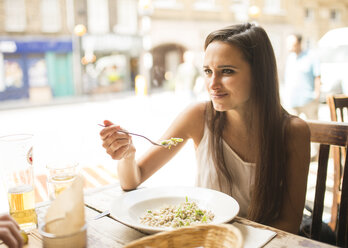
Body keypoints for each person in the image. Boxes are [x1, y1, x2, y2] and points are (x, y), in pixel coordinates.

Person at [100, 23, 310, 234]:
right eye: (208, 71)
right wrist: (127, 155)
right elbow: (132, 180)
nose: (212, 83)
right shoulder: (198, 116)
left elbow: (289, 225)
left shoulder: (293, 132)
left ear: (258, 74)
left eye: (227, 71)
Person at [284, 34, 321, 120]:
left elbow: (317, 76)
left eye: (292, 44)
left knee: (314, 128)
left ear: (299, 43)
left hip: (308, 100)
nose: (290, 47)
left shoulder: (311, 56)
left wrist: (317, 94)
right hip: (293, 101)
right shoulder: (290, 58)